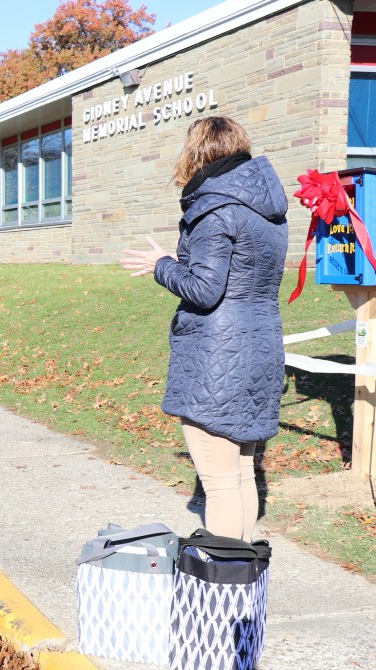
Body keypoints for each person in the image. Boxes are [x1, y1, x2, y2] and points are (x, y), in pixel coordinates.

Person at [120, 115, 288, 541]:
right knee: (243, 473)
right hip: (261, 347)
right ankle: (243, 575)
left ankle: (225, 584)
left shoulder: (215, 210)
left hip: (218, 356)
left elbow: (205, 289)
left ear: (196, 153)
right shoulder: (269, 212)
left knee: (219, 482)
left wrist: (161, 267)